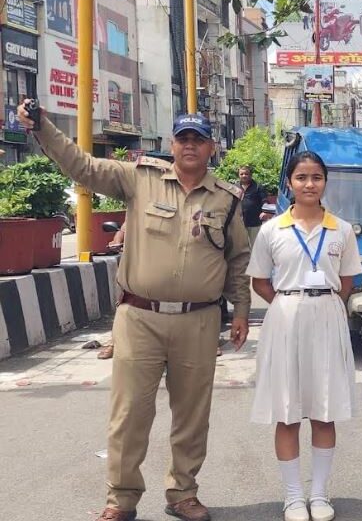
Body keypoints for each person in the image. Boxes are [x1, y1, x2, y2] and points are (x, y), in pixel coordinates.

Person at [18, 101, 251, 521]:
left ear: (211, 147)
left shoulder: (227, 199)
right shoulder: (138, 179)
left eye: (199, 139)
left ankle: (183, 493)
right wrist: (43, 128)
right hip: (140, 318)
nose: (190, 146)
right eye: (183, 139)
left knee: (192, 415)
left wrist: (240, 312)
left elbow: (237, 259)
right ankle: (121, 500)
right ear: (172, 145)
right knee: (129, 414)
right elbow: (83, 167)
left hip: (199, 321)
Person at [247, 151, 362, 521]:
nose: (309, 184)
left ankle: (320, 494)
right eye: (301, 177)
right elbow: (260, 281)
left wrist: (321, 306)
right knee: (287, 411)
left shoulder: (341, 230)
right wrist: (288, 304)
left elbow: (347, 281)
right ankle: (294, 497)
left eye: (316, 177)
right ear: (289, 183)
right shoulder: (272, 230)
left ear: (325, 181)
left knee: (324, 410)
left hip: (328, 315)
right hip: (285, 318)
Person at [98, 221, 128, 360]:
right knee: (125, 302)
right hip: (140, 265)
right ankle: (113, 343)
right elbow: (123, 229)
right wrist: (117, 241)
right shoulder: (139, 211)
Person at [238, 165, 268, 248]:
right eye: (241, 174)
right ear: (238, 175)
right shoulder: (235, 187)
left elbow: (264, 201)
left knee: (255, 246)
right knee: (240, 247)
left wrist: (264, 212)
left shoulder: (258, 187)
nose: (244, 176)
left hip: (254, 222)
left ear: (251, 175)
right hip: (239, 222)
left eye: (246, 174)